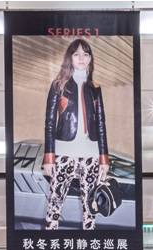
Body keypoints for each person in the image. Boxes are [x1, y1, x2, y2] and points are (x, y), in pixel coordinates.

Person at [42, 38, 109, 230]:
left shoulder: (95, 89)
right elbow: (49, 122)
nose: (81, 58)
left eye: (86, 54)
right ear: (69, 57)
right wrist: (49, 157)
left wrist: (104, 159)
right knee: (55, 201)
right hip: (64, 153)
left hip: (91, 155)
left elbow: (102, 124)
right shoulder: (58, 85)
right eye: (77, 54)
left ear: (90, 59)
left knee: (90, 207)